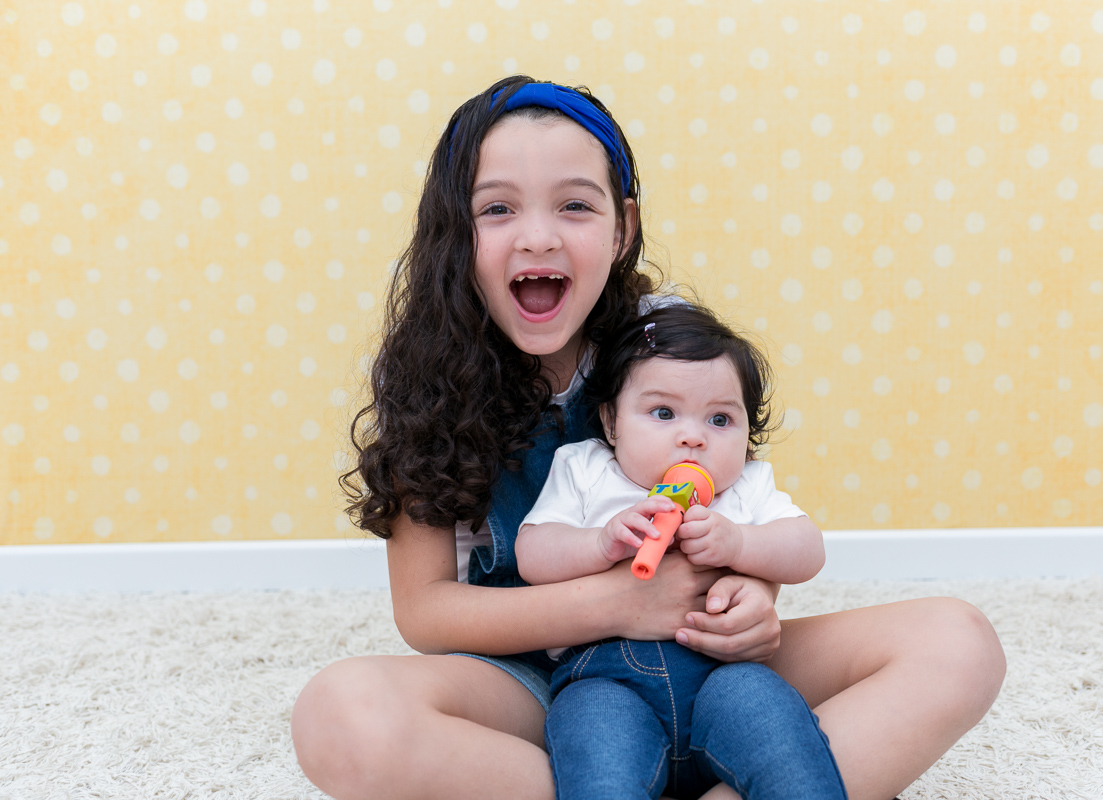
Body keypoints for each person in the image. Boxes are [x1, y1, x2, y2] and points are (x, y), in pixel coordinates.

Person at [290, 75, 1006, 800]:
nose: (538, 235)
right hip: (533, 683)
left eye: (574, 205)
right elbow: (425, 611)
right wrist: (619, 603)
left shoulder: (664, 339)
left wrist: (750, 596)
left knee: (958, 642)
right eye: (497, 209)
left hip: (708, 664)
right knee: (341, 716)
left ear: (621, 228)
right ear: (456, 232)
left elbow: (734, 500)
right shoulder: (426, 377)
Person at [516, 303, 847, 799]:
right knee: (598, 769)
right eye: (663, 413)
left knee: (785, 742)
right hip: (607, 678)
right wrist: (599, 542)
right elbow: (533, 553)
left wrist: (740, 542)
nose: (692, 436)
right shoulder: (585, 469)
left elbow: (807, 550)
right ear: (611, 423)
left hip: (724, 675)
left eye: (720, 419)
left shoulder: (747, 487)